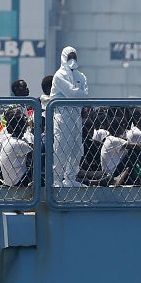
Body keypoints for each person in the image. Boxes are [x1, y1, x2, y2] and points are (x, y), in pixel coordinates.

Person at [50, 46, 88, 187]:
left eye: (74, 57)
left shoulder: (81, 76)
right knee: (61, 149)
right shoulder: (59, 76)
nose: (72, 60)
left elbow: (84, 95)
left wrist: (78, 95)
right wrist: (79, 94)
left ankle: (70, 178)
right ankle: (57, 179)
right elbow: (73, 94)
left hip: (76, 116)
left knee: (76, 149)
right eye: (69, 57)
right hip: (62, 117)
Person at [0, 108, 33, 186]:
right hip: (19, 181)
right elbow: (34, 158)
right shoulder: (20, 144)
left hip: (9, 180)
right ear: (24, 128)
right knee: (39, 160)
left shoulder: (7, 141)